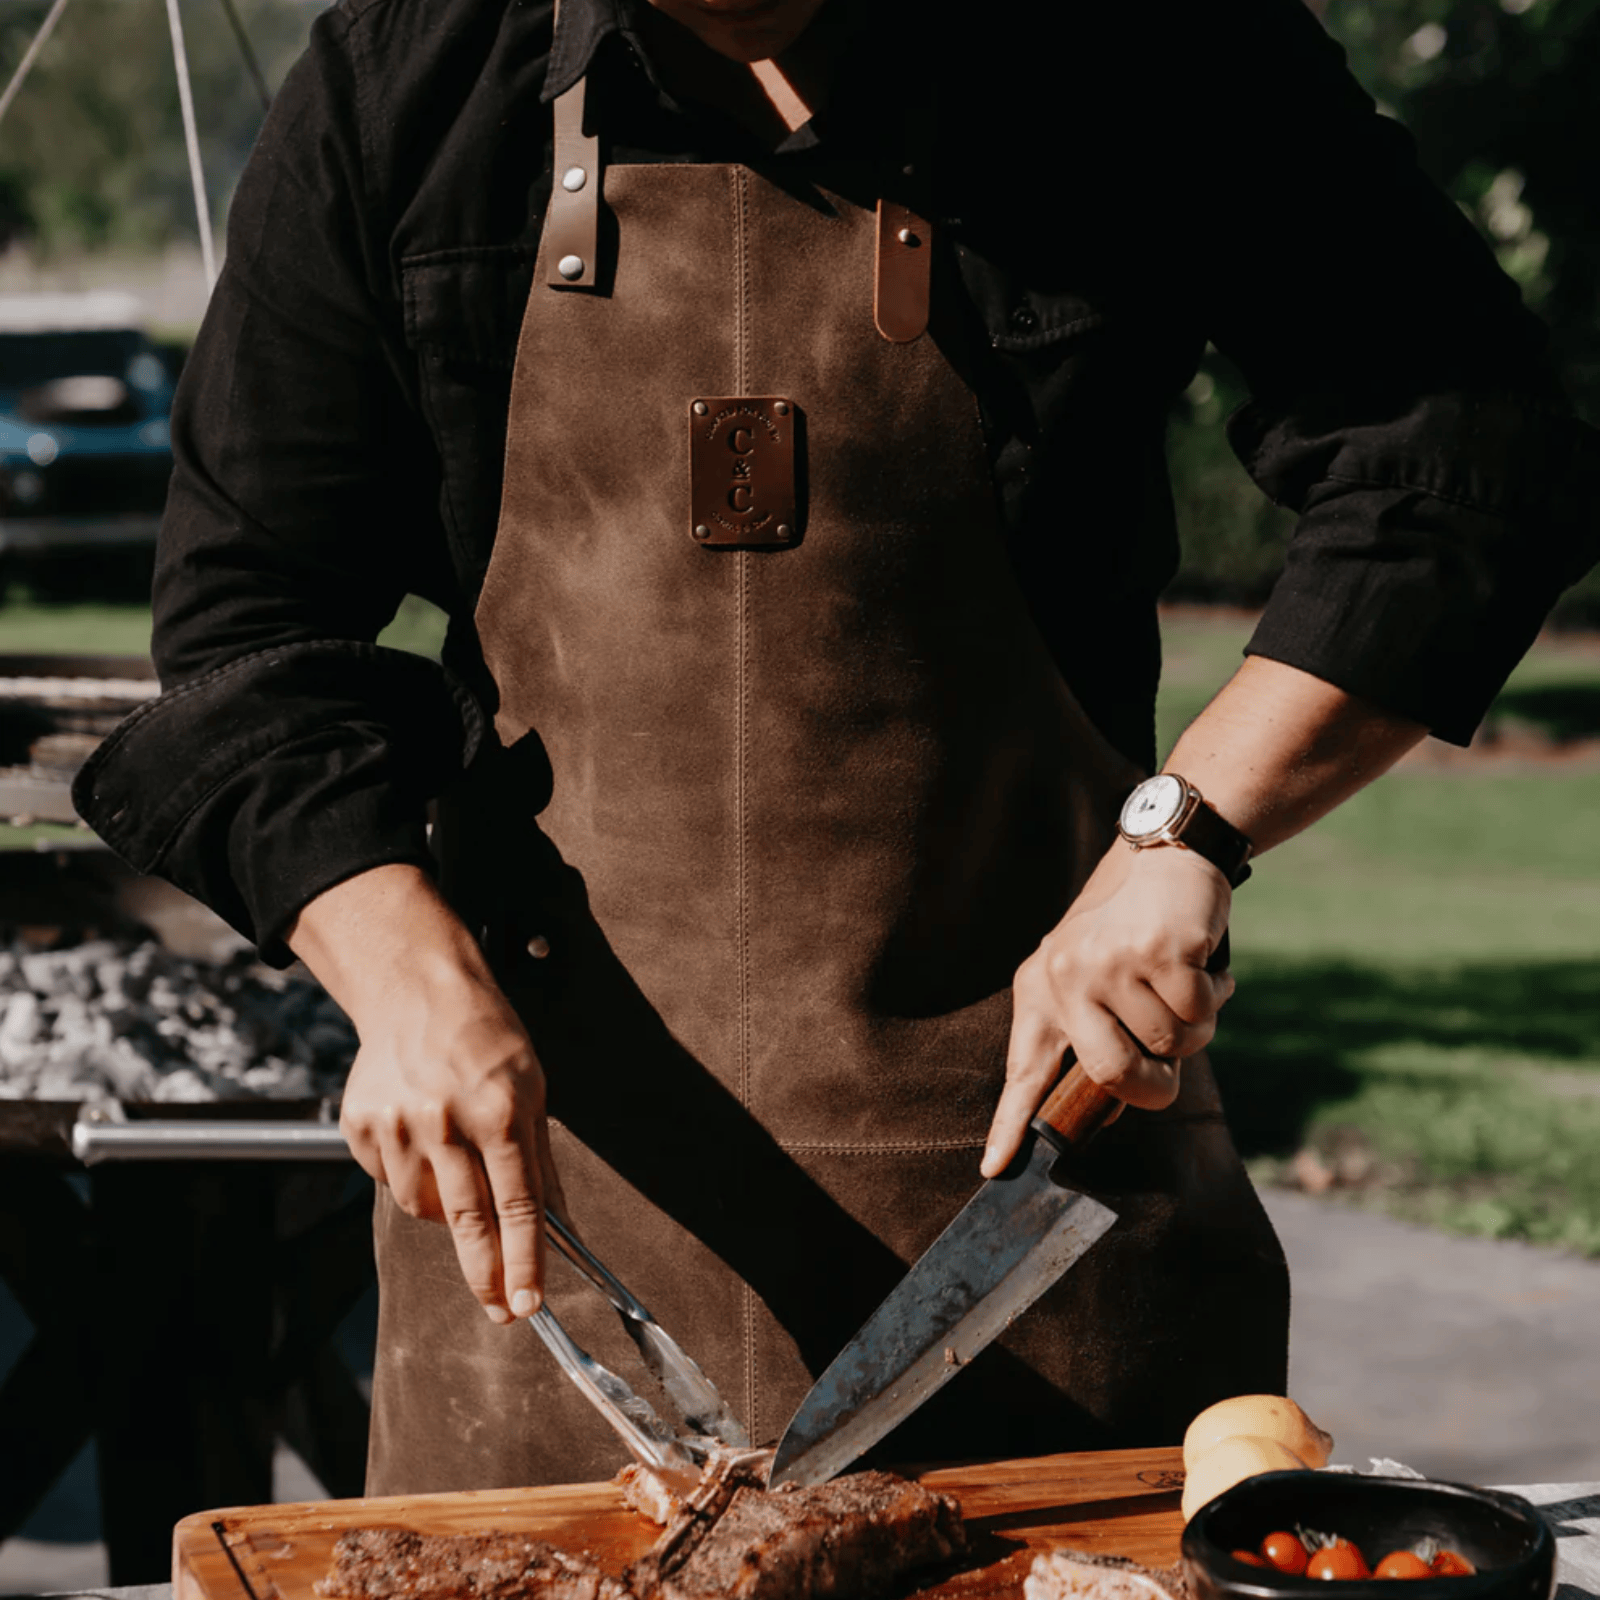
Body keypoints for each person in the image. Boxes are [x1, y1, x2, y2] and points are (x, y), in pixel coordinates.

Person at [75, 0, 1598, 1494]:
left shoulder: (1157, 51)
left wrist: (1184, 833)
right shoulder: (408, 69)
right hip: (549, 1304)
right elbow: (247, 621)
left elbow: (1464, 452)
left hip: (1047, 1253)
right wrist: (401, 973)